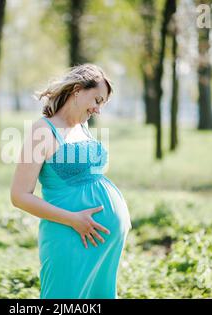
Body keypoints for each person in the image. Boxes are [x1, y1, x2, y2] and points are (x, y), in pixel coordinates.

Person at [10, 64, 132, 299]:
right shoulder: (42, 131)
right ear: (77, 90)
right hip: (69, 238)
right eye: (96, 100)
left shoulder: (82, 127)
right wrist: (74, 219)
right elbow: (19, 196)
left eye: (102, 104)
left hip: (101, 246)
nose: (97, 109)